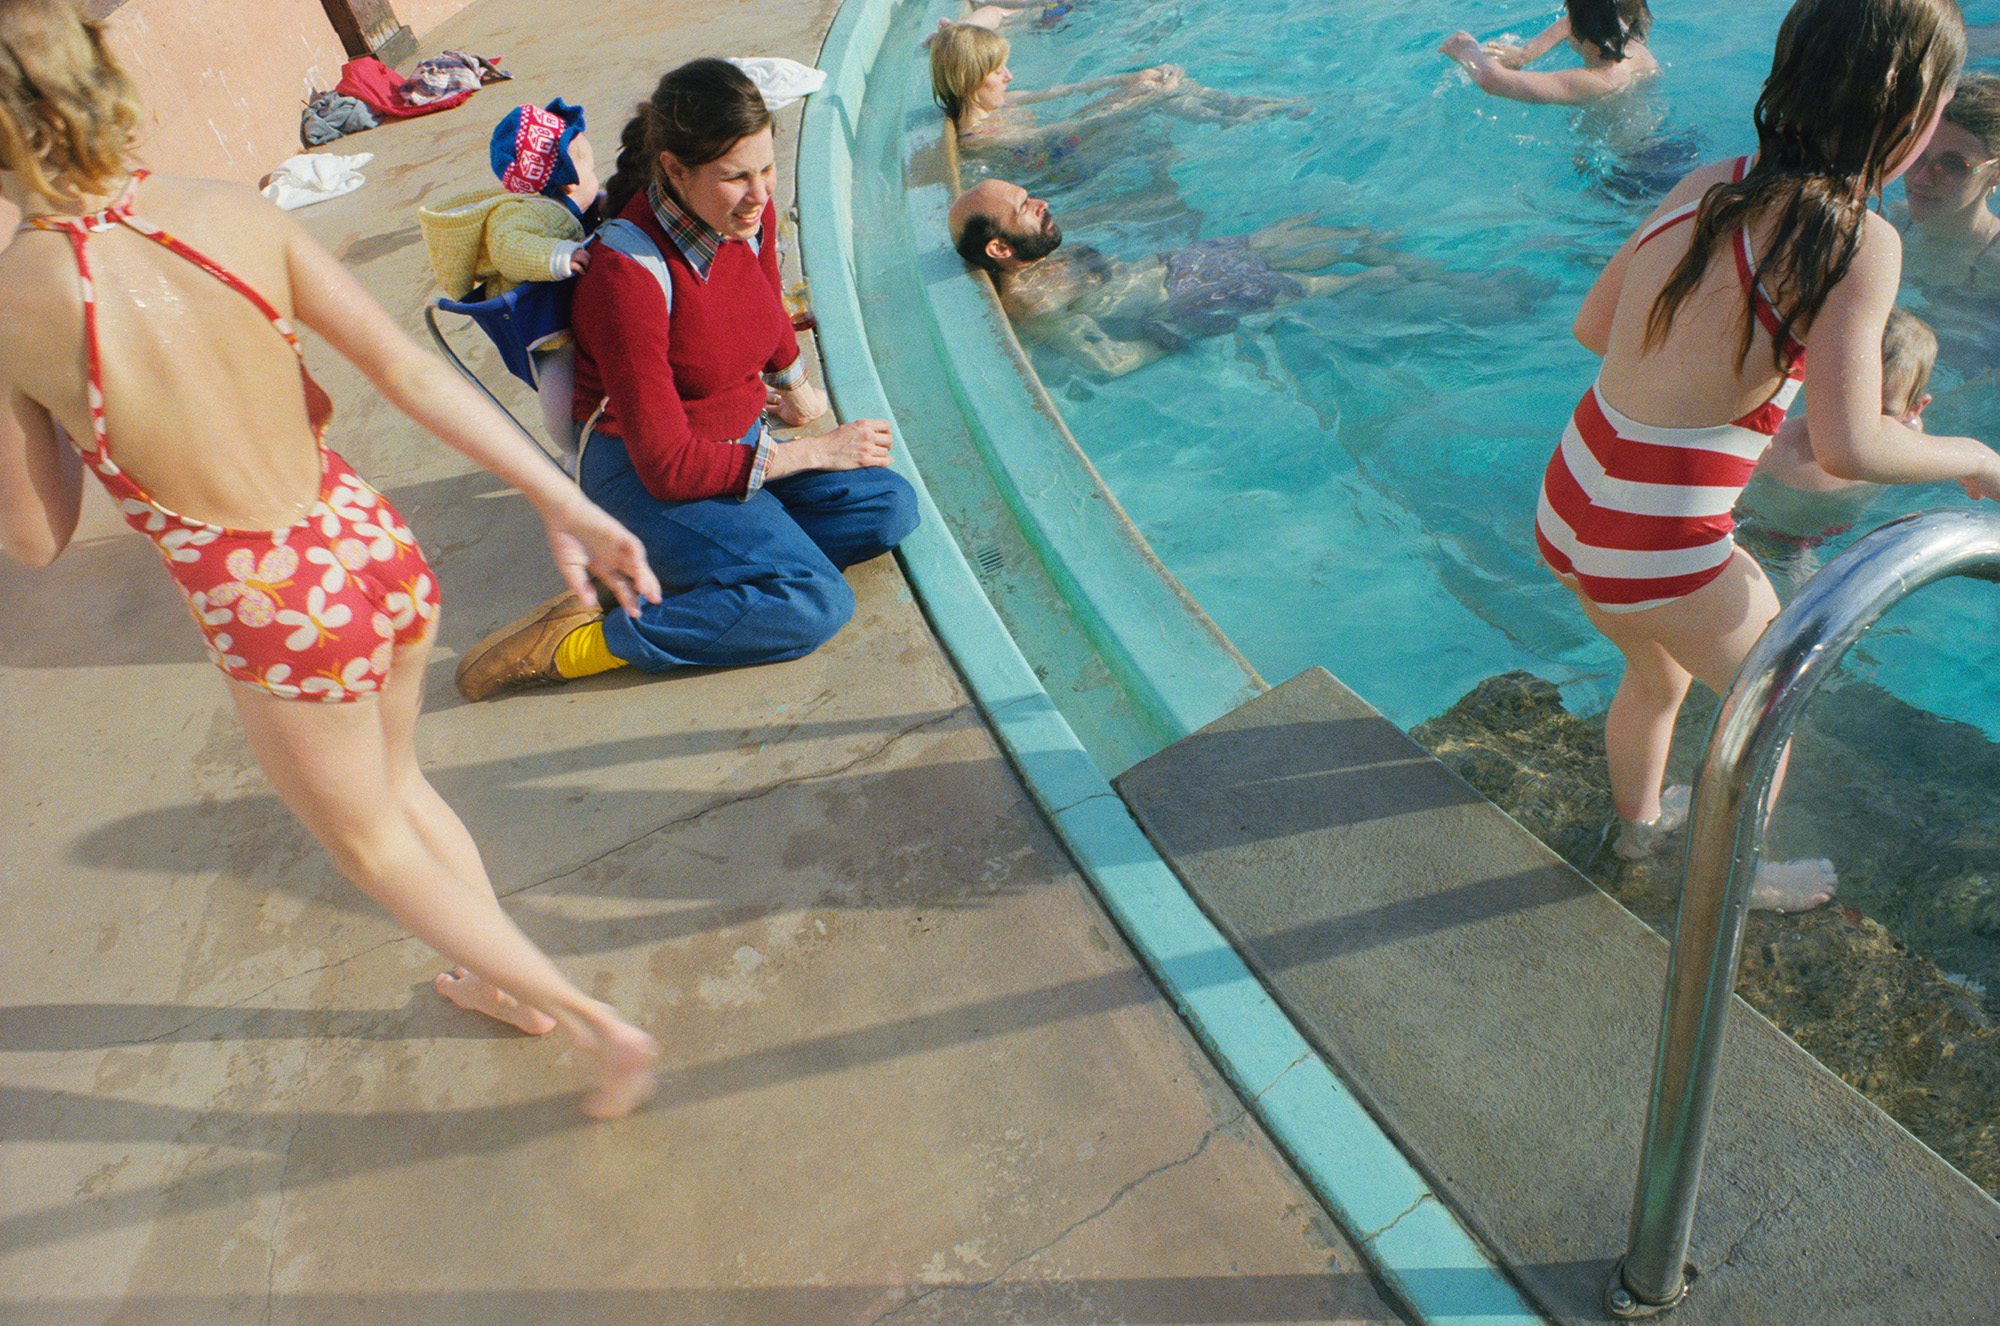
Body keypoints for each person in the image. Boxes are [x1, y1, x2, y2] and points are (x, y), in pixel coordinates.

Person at [0, 0, 660, 1114]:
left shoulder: (16, 300)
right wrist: (568, 502)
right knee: (400, 785)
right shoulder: (222, 211)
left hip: (271, 604)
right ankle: (506, 983)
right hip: (364, 539)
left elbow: (34, 536)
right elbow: (410, 375)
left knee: (368, 845)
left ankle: (592, 1021)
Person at [1533, 0, 2000, 909]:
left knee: (1656, 674)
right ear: (1903, 110)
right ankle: (1738, 883)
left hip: (1571, 491)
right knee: (1767, 706)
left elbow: (1594, 327)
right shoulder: (1861, 241)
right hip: (1660, 534)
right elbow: (1852, 445)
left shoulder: (1715, 178)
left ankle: (1638, 830)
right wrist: (1970, 456)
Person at [454, 58, 919, 701]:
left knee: (887, 505)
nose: (759, 193)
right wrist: (808, 454)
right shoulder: (624, 276)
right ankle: (582, 642)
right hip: (644, 478)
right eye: (735, 177)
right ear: (675, 169)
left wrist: (792, 383)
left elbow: (765, 301)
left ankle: (705, 566)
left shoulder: (745, 220)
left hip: (732, 452)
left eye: (766, 168)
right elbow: (668, 467)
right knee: (814, 600)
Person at [948, 178, 1393, 376]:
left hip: (1176, 263)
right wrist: (1174, 333)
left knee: (1282, 240)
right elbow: (1108, 363)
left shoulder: (1035, 255)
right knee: (1319, 283)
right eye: (1025, 207)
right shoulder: (1031, 303)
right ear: (1000, 250)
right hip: (1191, 296)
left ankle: (1382, 242)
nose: (1041, 202)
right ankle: (1389, 275)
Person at [418, 97, 603, 452]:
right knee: (558, 382)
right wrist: (558, 255)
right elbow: (509, 248)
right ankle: (571, 449)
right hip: (542, 323)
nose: (596, 179)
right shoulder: (517, 214)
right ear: (567, 184)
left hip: (567, 306)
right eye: (592, 171)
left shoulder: (556, 206)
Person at [931, 21, 1297, 186]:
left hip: (1070, 142)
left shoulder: (1004, 103)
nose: (1010, 76)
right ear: (969, 82)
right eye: (998, 72)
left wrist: (1130, 79)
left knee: (1149, 79)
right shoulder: (980, 138)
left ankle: (1235, 106)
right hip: (1069, 167)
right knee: (1150, 96)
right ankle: (1230, 117)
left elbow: (1075, 90)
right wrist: (1150, 98)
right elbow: (1080, 125)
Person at [1734, 309, 1938, 587]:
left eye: (1882, 412)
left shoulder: (1909, 437)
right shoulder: (1781, 443)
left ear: (1913, 410)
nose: (1856, 422)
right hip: (1767, 535)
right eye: (1843, 400)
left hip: (1826, 537)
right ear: (1817, 381)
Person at [1440, 0, 1657, 105]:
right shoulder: (1636, 50)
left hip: (1629, 174)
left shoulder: (1594, 81)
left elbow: (1492, 80)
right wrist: (1525, 53)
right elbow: (1593, 17)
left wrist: (1466, 50)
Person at [1899, 73, 2000, 292]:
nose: (1921, 179)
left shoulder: (1994, 268)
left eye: (1952, 165)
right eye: (1916, 153)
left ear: (1996, 173)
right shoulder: (1895, 222)